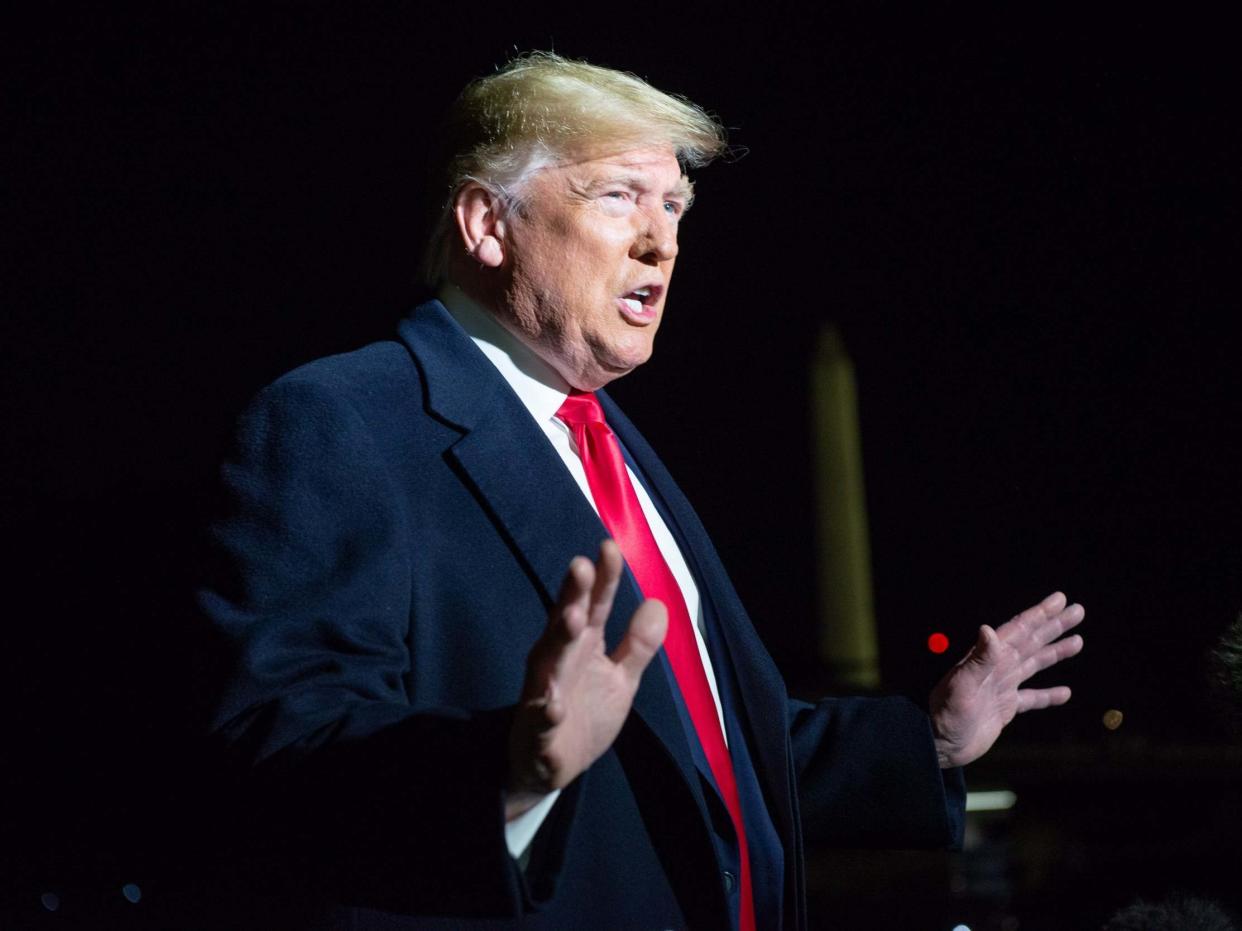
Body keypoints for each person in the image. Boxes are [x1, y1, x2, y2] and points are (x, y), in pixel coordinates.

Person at [200, 52, 1085, 930]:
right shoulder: (340, 419)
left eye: (673, 205)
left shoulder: (614, 442)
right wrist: (512, 770)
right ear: (486, 224)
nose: (661, 238)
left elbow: (698, 751)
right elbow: (281, 748)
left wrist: (924, 740)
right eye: (618, 196)